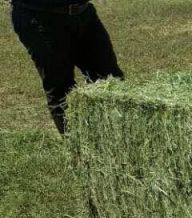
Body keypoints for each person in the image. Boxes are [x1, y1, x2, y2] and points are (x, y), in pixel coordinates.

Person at [10, 0, 123, 133]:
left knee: (110, 78)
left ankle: (112, 139)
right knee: (62, 89)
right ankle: (79, 148)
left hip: (83, 13)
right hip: (39, 17)